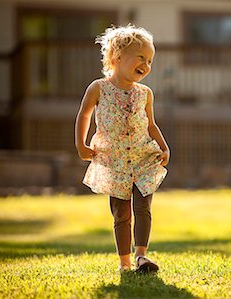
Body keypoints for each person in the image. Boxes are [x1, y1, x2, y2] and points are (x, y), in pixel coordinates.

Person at [75, 24, 170, 273]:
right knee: (121, 213)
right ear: (117, 56)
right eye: (141, 57)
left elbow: (151, 124)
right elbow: (84, 116)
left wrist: (164, 147)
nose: (146, 65)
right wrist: (81, 144)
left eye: (150, 61)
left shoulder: (145, 93)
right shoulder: (98, 88)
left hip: (143, 157)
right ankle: (125, 263)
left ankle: (141, 257)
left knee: (143, 207)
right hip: (114, 160)